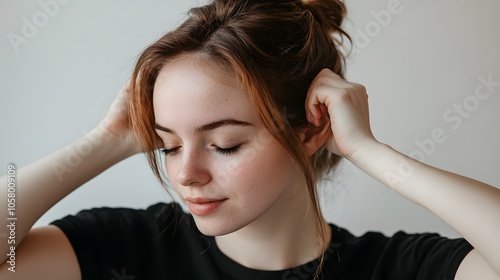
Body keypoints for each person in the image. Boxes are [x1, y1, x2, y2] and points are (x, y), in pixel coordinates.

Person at [1, 0, 499, 279]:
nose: (184, 174)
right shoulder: (123, 249)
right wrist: (107, 140)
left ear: (311, 129)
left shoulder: (400, 271)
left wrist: (369, 151)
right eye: (168, 145)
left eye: (225, 144)